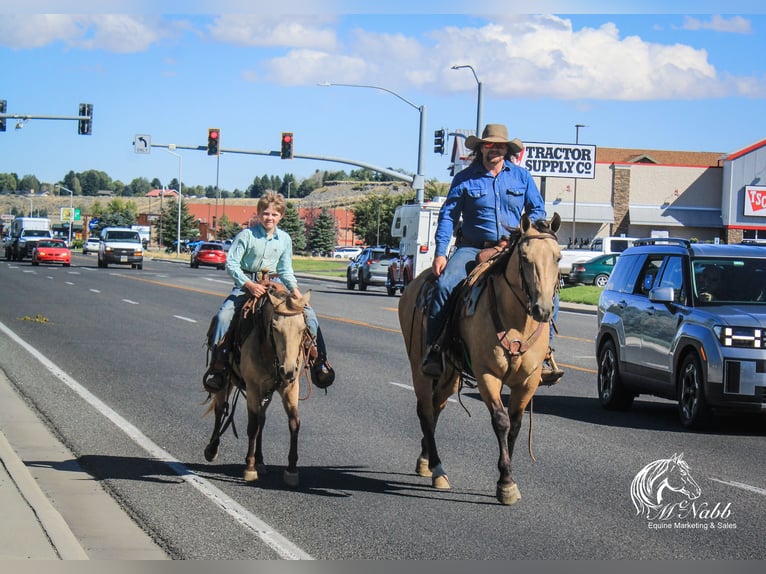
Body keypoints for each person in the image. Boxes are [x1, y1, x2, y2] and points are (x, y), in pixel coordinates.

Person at [421, 123, 564, 384]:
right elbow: (448, 216)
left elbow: (538, 211)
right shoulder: (465, 179)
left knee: (548, 292)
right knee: (445, 285)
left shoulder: (521, 177)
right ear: (481, 149)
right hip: (472, 248)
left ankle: (544, 354)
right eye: (489, 145)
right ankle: (436, 348)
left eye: (499, 146)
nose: (494, 150)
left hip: (511, 247)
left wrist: (526, 236)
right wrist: (440, 253)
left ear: (507, 150)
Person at [203, 191, 334, 392]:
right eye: (266, 213)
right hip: (246, 286)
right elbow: (232, 264)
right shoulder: (246, 235)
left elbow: (285, 270)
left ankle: (320, 361)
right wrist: (249, 284)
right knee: (223, 317)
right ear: (258, 213)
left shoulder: (284, 239)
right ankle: (218, 366)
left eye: (274, 214)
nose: (269, 218)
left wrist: (298, 296)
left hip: (276, 286)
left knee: (309, 315)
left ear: (280, 216)